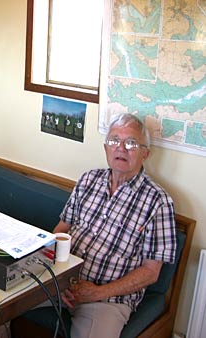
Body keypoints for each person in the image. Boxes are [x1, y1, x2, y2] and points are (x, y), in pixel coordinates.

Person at [51, 113, 177, 338]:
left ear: (145, 153)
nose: (121, 148)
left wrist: (96, 293)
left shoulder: (158, 202)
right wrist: (57, 274)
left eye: (130, 143)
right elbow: (61, 230)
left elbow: (151, 272)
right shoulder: (88, 179)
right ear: (105, 148)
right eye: (114, 141)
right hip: (62, 280)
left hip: (107, 299)